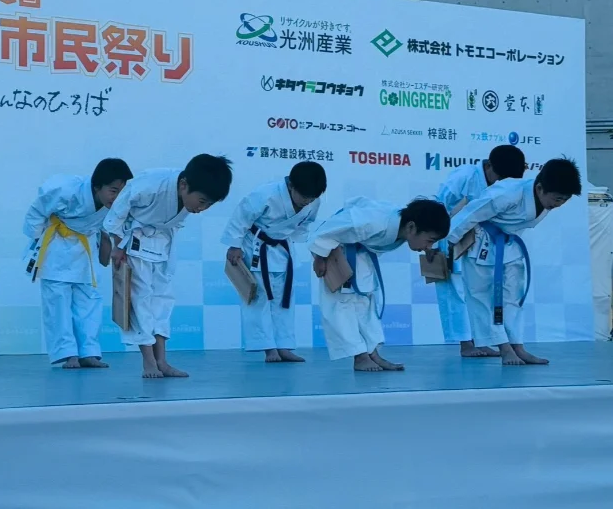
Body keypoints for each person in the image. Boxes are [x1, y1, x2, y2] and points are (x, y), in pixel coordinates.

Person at [104, 154, 233, 378]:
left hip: (163, 244)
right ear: (184, 185)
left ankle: (162, 360)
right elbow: (119, 209)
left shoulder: (188, 191)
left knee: (163, 299)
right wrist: (117, 244)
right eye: (202, 202)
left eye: (209, 205)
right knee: (139, 300)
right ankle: (148, 362)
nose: (202, 209)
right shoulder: (152, 183)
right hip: (134, 241)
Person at [446, 157, 582, 366]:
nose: (559, 204)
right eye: (557, 199)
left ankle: (518, 346)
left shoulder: (543, 197)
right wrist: (449, 242)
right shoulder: (506, 193)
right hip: (481, 245)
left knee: (513, 298)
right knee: (481, 298)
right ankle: (504, 348)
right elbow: (469, 214)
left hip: (510, 247)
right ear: (539, 187)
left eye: (564, 200)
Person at [310, 197, 450, 372]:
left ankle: (372, 353)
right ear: (411, 227)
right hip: (334, 251)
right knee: (341, 304)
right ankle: (359, 357)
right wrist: (320, 258)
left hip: (360, 252)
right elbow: (325, 232)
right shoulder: (372, 221)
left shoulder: (402, 225)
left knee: (366, 302)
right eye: (429, 240)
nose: (428, 246)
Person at [23, 158, 133, 369]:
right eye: (113, 190)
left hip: (86, 248)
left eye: (122, 191)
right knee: (57, 303)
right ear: (96, 186)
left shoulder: (119, 205)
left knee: (89, 301)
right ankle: (67, 354)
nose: (117, 197)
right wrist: (37, 238)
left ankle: (89, 352)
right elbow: (37, 211)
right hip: (57, 246)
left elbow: (118, 228)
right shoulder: (66, 190)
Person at [221, 161, 326, 363]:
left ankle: (284, 346)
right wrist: (235, 245)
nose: (308, 201)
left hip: (283, 250)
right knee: (257, 297)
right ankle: (267, 347)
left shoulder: (314, 201)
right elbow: (241, 216)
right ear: (290, 186)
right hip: (257, 247)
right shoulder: (266, 194)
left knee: (285, 300)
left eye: (312, 197)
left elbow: (304, 226)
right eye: (304, 196)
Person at [432, 145, 526, 358]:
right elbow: (438, 204)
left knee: (484, 293)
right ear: (489, 165)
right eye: (498, 178)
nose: (499, 184)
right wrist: (436, 239)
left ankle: (483, 340)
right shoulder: (464, 176)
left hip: (485, 243)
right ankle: (466, 344)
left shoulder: (510, 185)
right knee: (456, 292)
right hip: (453, 236)